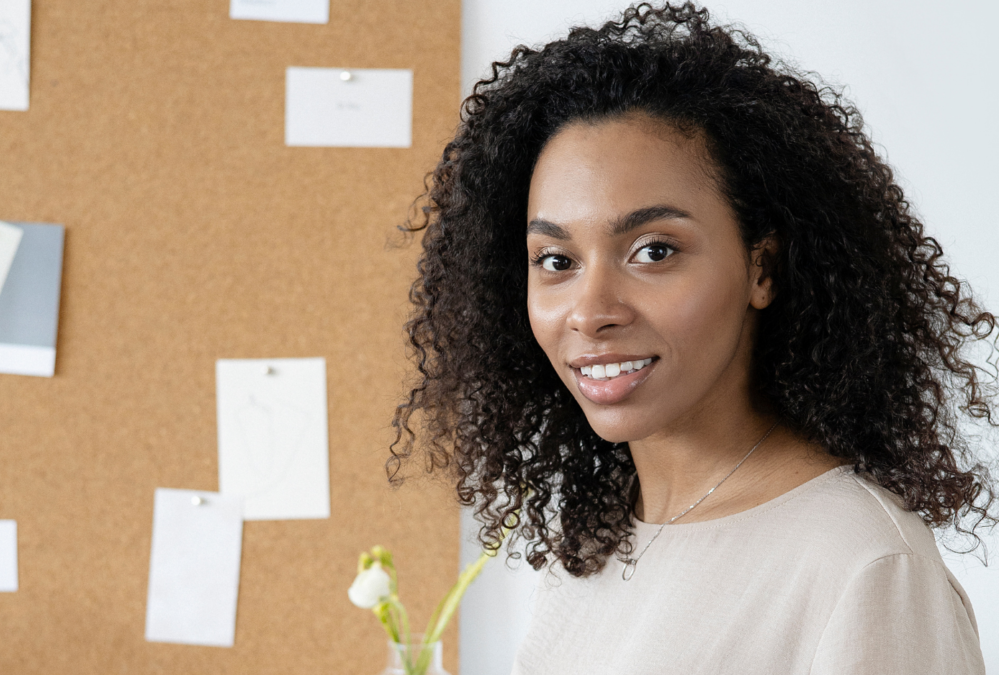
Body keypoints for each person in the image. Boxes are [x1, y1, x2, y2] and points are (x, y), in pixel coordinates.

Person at [390, 3, 995, 672]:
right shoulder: (599, 540)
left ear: (761, 268)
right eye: (556, 261)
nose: (590, 311)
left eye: (653, 251)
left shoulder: (862, 565)